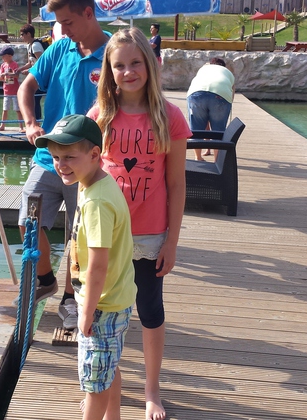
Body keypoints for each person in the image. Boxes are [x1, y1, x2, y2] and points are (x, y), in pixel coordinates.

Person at [86, 27, 191, 420]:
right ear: (108, 71)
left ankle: (151, 389)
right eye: (119, 65)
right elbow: (86, 179)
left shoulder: (170, 116)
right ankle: (102, 390)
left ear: (149, 64)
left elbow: (176, 183)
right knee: (104, 314)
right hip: (106, 236)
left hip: (150, 234)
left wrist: (172, 241)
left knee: (149, 309)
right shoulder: (99, 116)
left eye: (135, 63)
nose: (128, 72)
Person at [16, 0, 111, 331]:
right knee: (27, 221)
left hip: (88, 164)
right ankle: (45, 280)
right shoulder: (59, 48)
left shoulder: (114, 53)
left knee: (79, 235)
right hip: (48, 157)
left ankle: (71, 298)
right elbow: (27, 86)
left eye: (67, 22)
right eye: (59, 24)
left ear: (88, 13)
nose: (63, 30)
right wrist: (30, 122)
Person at [34, 114, 136, 420]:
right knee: (108, 364)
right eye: (55, 157)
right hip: (114, 297)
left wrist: (86, 312)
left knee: (94, 381)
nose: (60, 165)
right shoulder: (95, 183)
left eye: (69, 157)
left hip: (102, 304)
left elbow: (98, 266)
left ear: (94, 154)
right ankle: (112, 415)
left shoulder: (96, 202)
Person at [186, 57, 235, 161]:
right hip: (220, 94)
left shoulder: (204, 68)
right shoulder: (227, 72)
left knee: (197, 129)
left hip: (196, 93)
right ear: (224, 66)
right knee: (218, 131)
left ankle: (198, 157)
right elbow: (232, 93)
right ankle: (217, 161)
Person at [16, 23, 46, 121]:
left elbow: (42, 62)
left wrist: (29, 71)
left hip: (41, 76)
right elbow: (30, 63)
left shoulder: (36, 46)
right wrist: (20, 69)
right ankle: (36, 120)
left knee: (34, 98)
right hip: (35, 75)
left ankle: (37, 120)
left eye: (22, 34)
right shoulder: (29, 45)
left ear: (28, 34)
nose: (21, 37)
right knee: (33, 98)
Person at [0, 46, 23, 132]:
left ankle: (21, 126)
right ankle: (2, 125)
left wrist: (7, 74)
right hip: (6, 91)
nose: (2, 57)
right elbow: (1, 77)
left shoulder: (14, 64)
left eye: (4, 56)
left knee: (17, 109)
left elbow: (16, 76)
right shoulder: (3, 65)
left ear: (10, 56)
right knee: (5, 109)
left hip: (15, 91)